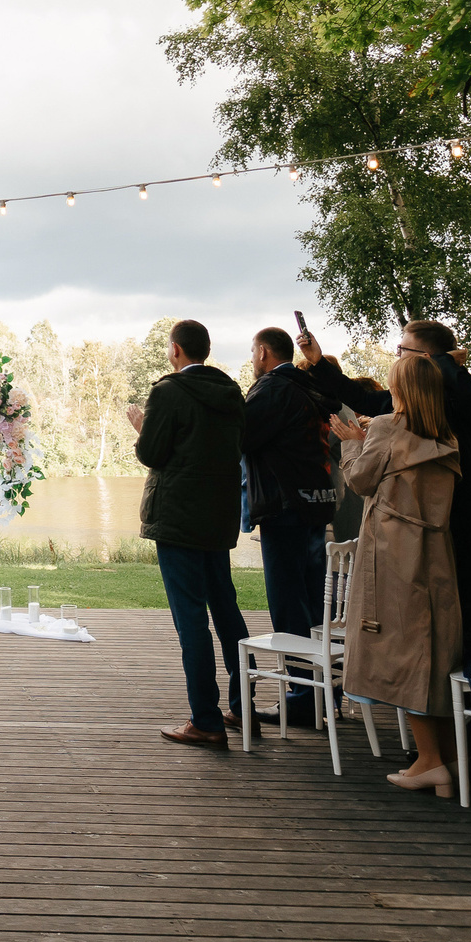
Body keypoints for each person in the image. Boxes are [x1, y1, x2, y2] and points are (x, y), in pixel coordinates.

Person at [330, 352, 463, 795]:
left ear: (400, 388)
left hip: (391, 551)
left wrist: (352, 441)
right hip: (434, 550)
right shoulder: (442, 433)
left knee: (398, 647)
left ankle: (427, 762)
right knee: (433, 645)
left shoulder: (387, 428)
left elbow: (361, 480)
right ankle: (446, 757)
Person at [129, 320, 249, 747]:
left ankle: (206, 721)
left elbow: (152, 453)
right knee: (226, 608)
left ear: (175, 350)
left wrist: (143, 429)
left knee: (191, 620)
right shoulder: (232, 392)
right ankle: (241, 707)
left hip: (178, 517)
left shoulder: (168, 392)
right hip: (218, 515)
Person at [240, 327, 336, 728]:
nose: (251, 359)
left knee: (288, 603)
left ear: (263, 352)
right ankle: (325, 693)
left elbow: (243, 437)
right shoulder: (309, 387)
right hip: (316, 502)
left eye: (252, 352)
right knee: (313, 602)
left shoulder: (272, 389)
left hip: (285, 506)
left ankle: (302, 699)